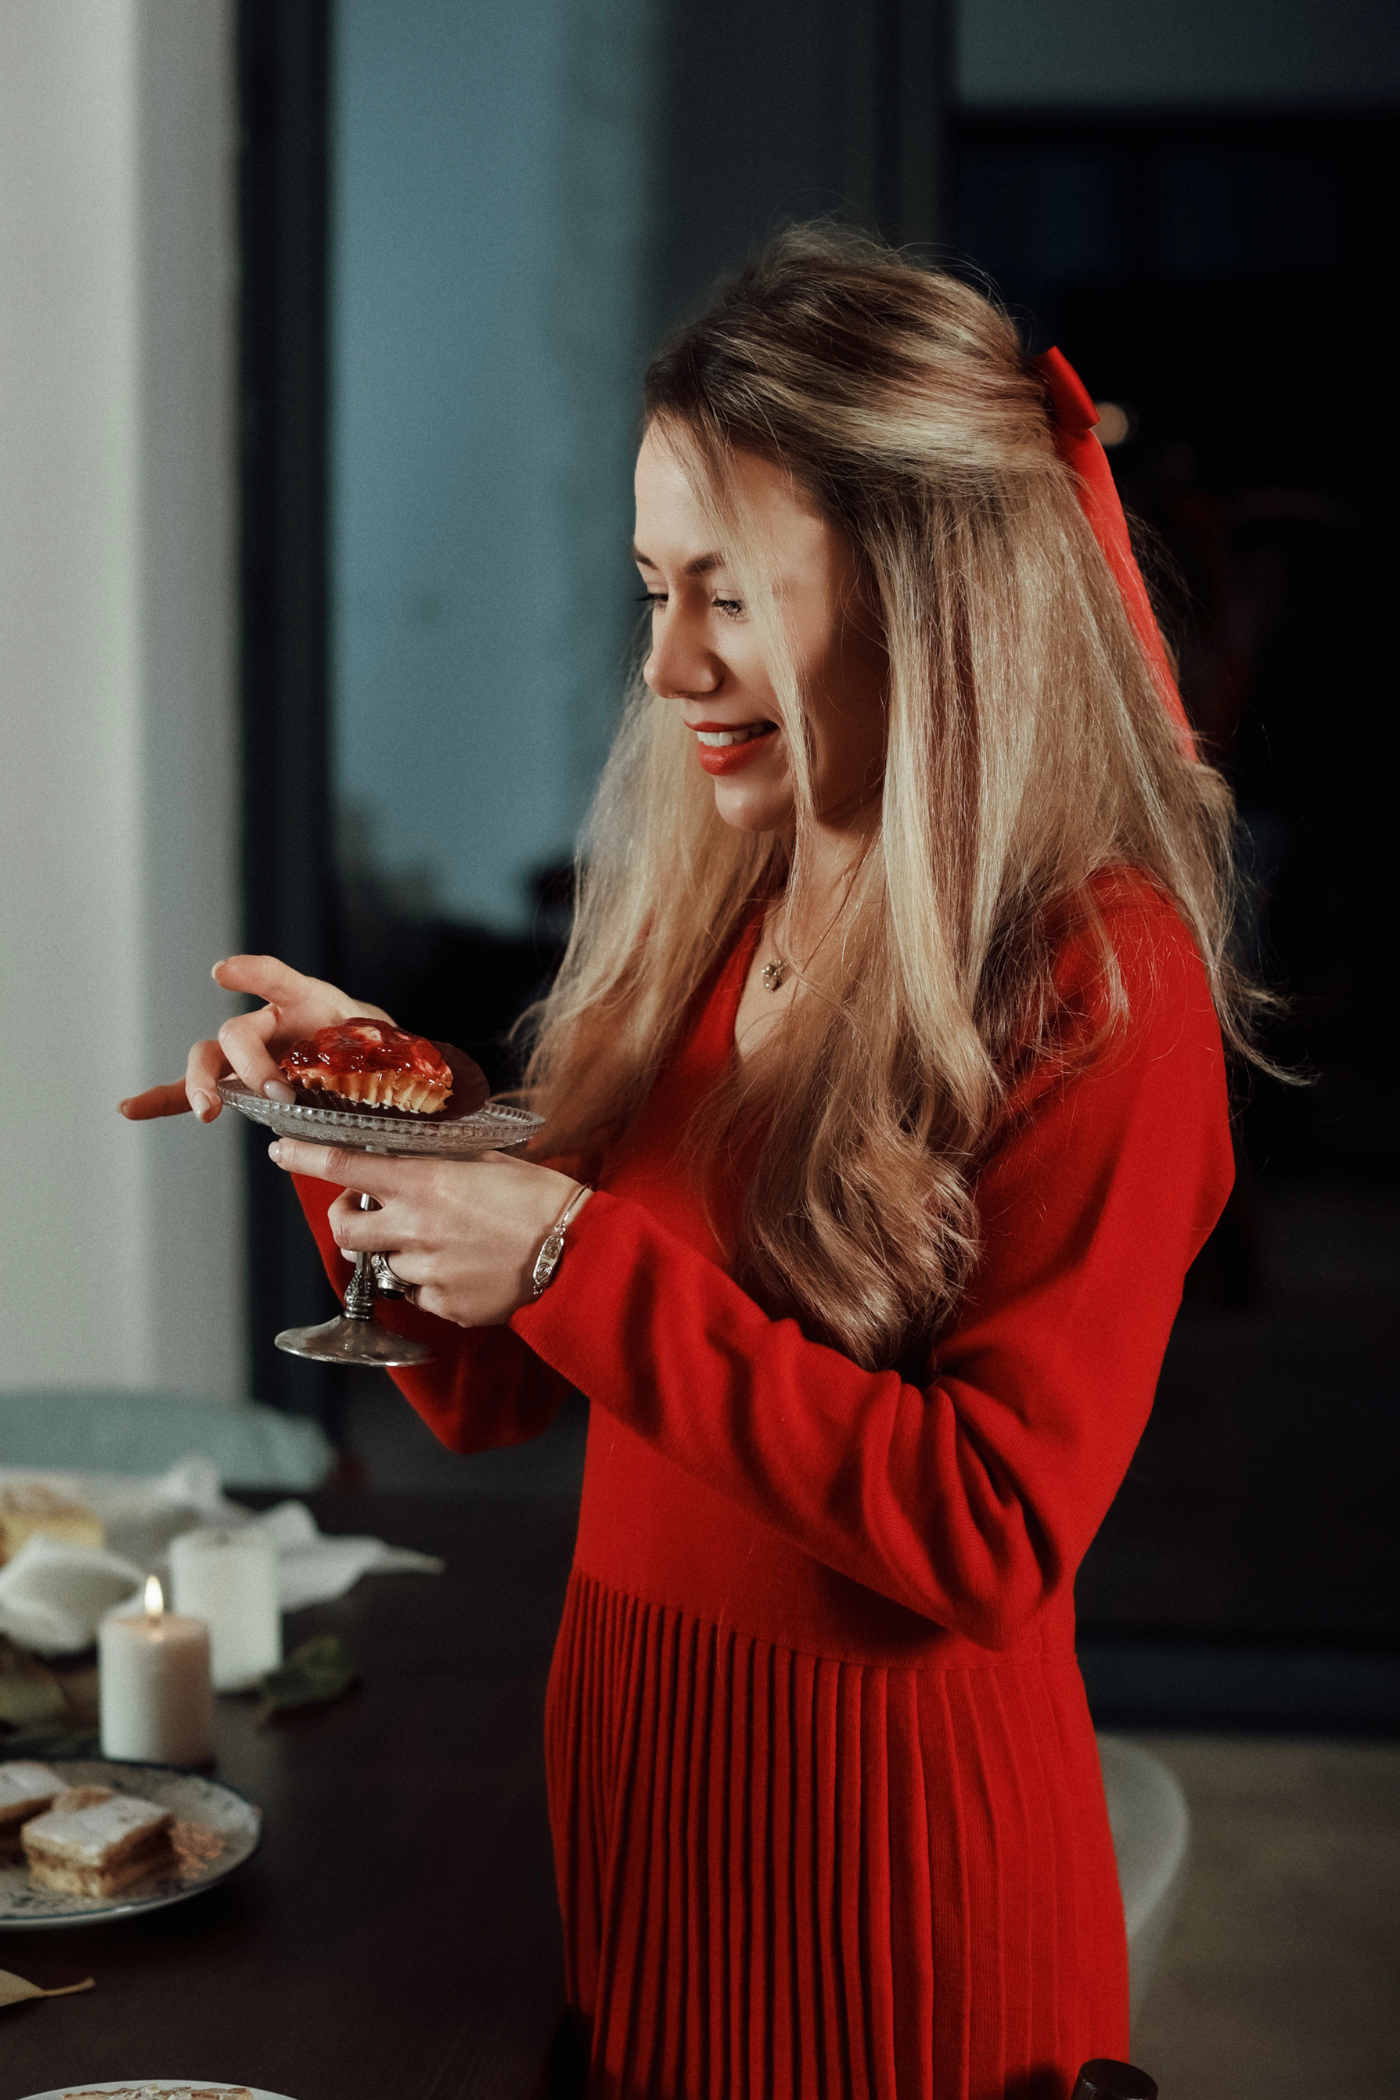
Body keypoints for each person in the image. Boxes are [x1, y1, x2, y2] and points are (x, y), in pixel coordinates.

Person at [125, 228, 1254, 2099]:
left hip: (894, 1882)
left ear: (926, 591)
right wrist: (355, 1118)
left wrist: (565, 1251)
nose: (664, 665)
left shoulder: (1100, 975)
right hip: (654, 1818)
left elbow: (989, 1531)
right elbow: (490, 1392)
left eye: (724, 597)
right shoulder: (729, 901)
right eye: (651, 588)